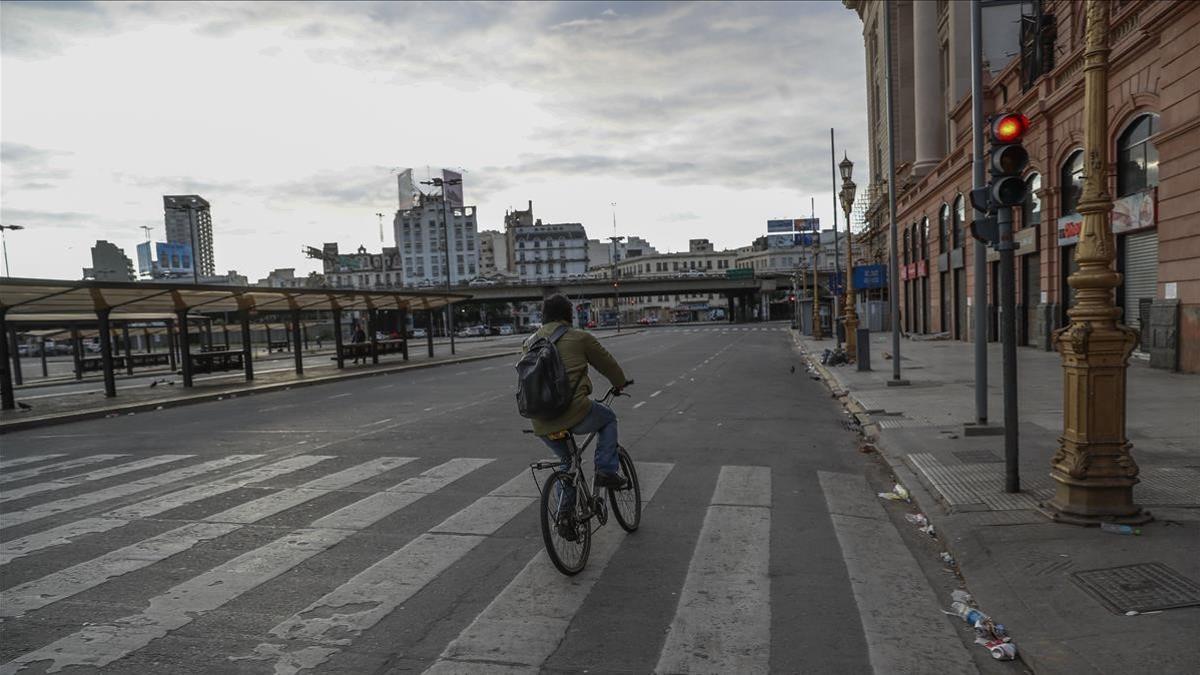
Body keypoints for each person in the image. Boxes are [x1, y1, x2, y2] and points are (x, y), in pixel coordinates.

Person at [525, 294, 629, 492]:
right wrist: (619, 383)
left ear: (544, 316)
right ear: (568, 315)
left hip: (540, 418)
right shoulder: (580, 338)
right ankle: (606, 470)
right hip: (574, 412)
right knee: (608, 419)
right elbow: (609, 365)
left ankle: (564, 516)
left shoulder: (528, 343)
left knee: (568, 461)